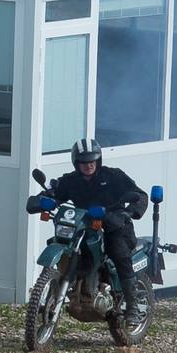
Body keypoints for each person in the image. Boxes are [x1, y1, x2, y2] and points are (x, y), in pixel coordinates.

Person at [49, 138, 148, 324]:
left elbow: (140, 195)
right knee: (64, 243)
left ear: (98, 160)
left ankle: (132, 307)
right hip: (84, 225)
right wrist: (42, 199)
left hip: (114, 225)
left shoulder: (113, 176)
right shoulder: (71, 181)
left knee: (119, 253)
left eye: (92, 161)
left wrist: (128, 213)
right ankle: (66, 291)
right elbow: (55, 192)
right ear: (76, 163)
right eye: (84, 162)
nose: (88, 165)